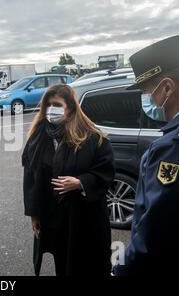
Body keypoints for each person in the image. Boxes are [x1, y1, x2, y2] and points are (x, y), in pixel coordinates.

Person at [113, 35, 179, 276]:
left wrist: (123, 271)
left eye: (148, 92)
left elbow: (157, 232)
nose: (148, 100)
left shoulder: (175, 147)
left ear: (167, 87)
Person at [22, 84, 115, 277]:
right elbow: (30, 178)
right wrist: (34, 214)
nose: (50, 110)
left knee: (88, 263)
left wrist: (80, 182)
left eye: (56, 105)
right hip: (55, 217)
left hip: (85, 217)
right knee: (63, 262)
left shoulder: (92, 138)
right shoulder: (38, 138)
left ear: (71, 108)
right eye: (47, 105)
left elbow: (106, 172)